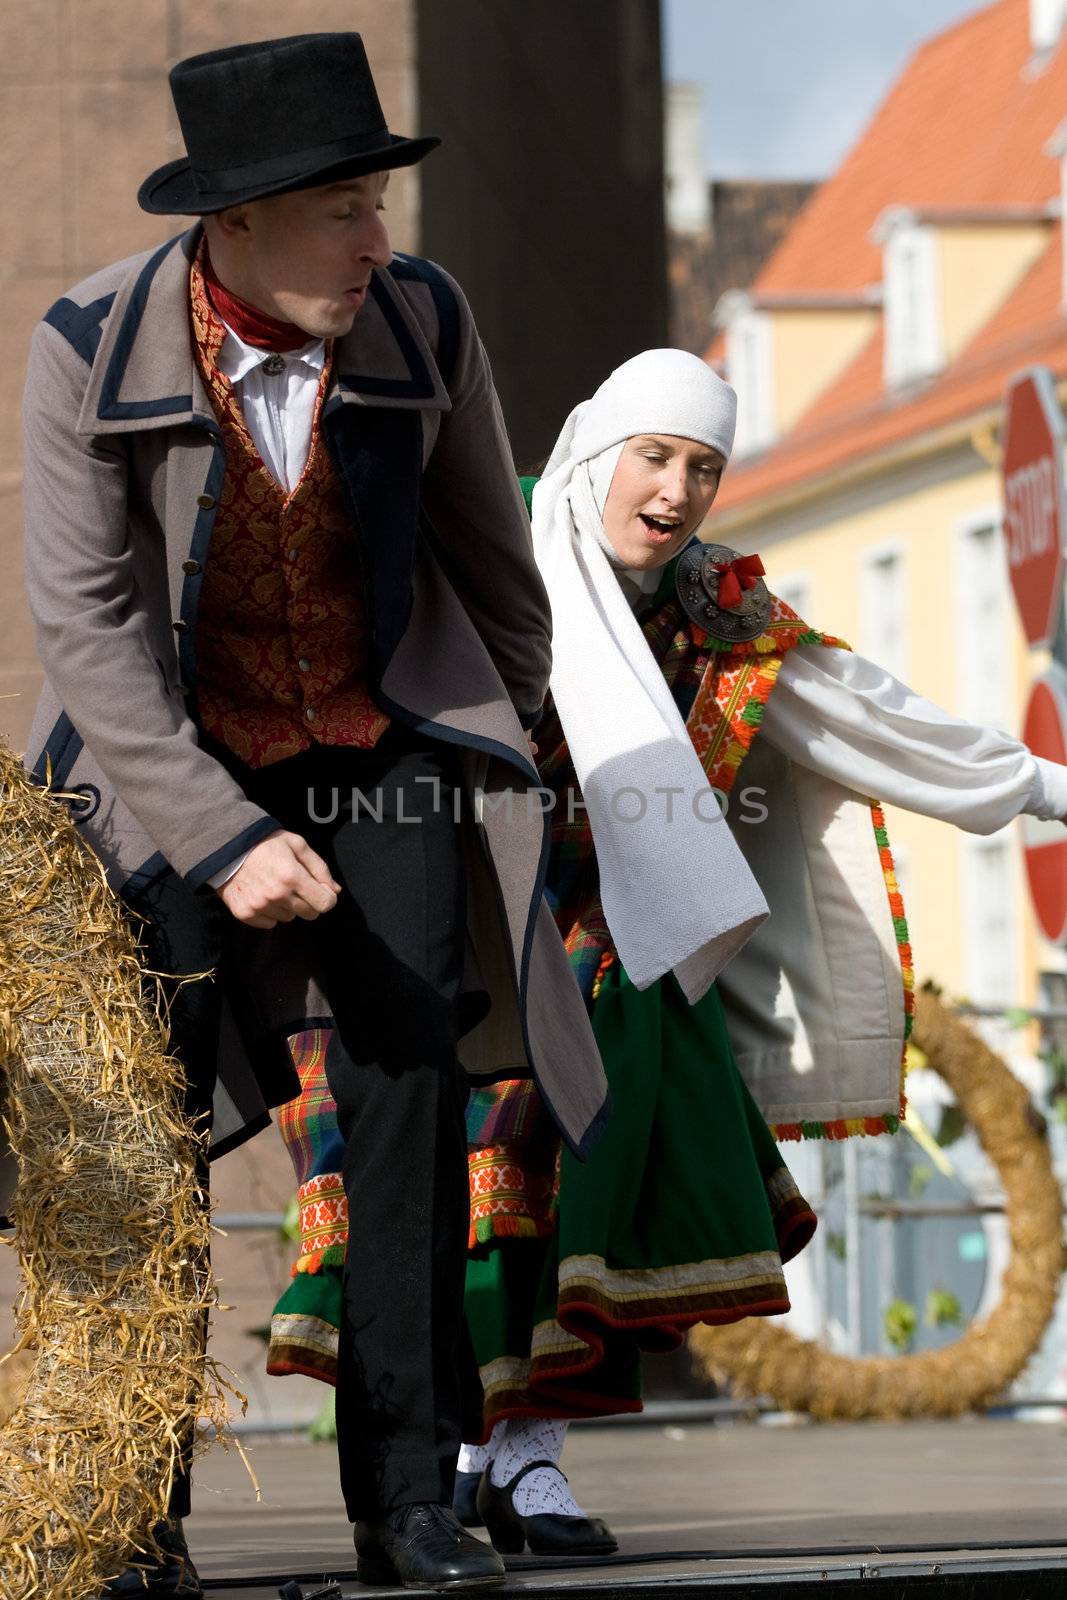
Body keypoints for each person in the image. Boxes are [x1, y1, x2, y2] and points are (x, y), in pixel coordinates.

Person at [17, 33, 637, 1596]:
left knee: (415, 1095)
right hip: (167, 763)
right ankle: (124, 1510)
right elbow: (86, 633)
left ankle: (407, 1498)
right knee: (138, 1141)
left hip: (380, 748)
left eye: (379, 201)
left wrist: (499, 744)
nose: (378, 239)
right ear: (234, 223)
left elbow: (495, 566)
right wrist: (221, 839)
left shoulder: (419, 317)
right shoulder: (87, 340)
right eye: (343, 207)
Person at [265, 347, 1067, 1551]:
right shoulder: (480, 556)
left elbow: (873, 718)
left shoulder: (718, 616)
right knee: (449, 1201)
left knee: (603, 1180)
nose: (677, 487)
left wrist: (1044, 787)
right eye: (654, 454)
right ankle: (453, 1460)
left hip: (611, 943)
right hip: (449, 927)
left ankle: (526, 1464)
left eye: (703, 465)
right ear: (596, 452)